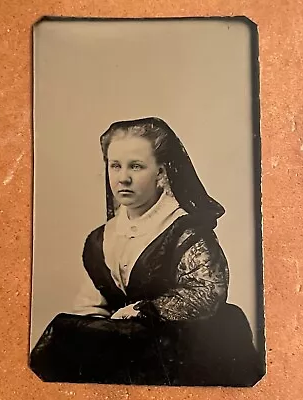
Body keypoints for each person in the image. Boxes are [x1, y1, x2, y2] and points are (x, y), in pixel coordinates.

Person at [29, 117, 263, 386]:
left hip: (184, 348)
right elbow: (92, 304)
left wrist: (143, 310)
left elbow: (206, 292)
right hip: (129, 348)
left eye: (136, 166)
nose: (123, 178)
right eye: (115, 166)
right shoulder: (100, 239)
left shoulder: (184, 230)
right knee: (67, 331)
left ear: (162, 173)